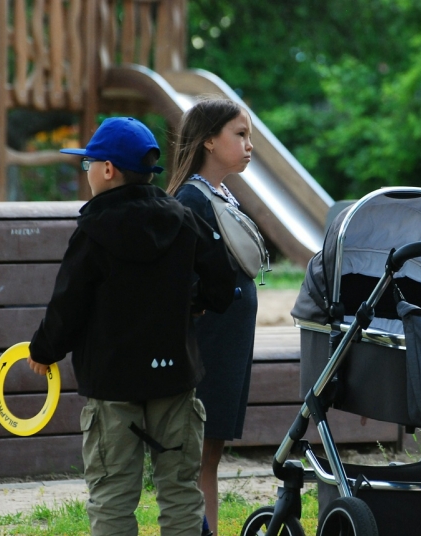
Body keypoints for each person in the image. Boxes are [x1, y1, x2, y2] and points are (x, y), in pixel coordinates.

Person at [27, 116, 238, 536]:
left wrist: (43, 349)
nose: (85, 170)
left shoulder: (93, 230)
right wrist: (191, 304)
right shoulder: (180, 217)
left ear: (108, 170)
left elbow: (67, 304)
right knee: (180, 494)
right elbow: (222, 281)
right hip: (174, 379)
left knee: (112, 497)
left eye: (88, 162)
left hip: (112, 387)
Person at [166, 97, 258, 536]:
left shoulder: (222, 195)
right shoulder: (190, 199)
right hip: (206, 346)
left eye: (249, 136)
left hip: (228, 344)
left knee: (211, 452)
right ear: (207, 139)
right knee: (198, 452)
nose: (248, 145)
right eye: (239, 135)